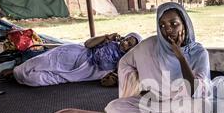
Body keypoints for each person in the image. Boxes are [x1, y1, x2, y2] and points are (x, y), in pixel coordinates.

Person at [104, 2, 211, 113]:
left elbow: (194, 91)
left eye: (174, 24)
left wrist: (180, 57)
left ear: (185, 24)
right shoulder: (149, 45)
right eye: (162, 25)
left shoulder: (199, 53)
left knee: (203, 107)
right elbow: (125, 62)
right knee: (113, 107)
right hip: (154, 104)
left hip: (181, 105)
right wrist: (137, 87)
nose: (168, 30)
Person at [13, 32, 142, 86]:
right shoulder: (110, 41)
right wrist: (106, 37)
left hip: (81, 73)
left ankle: (18, 75)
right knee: (40, 62)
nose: (125, 43)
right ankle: (15, 71)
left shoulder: (124, 61)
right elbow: (88, 44)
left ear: (133, 49)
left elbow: (119, 78)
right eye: (126, 39)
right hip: (74, 55)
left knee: (34, 79)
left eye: (129, 44)